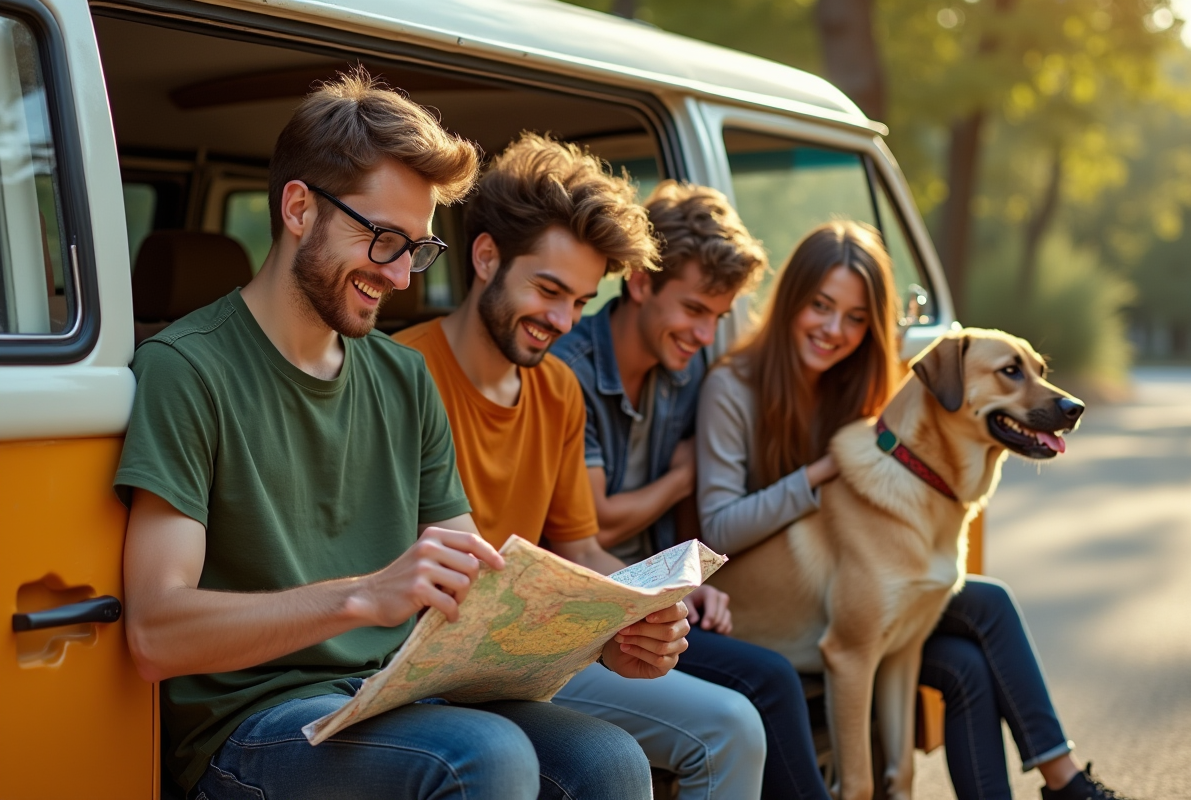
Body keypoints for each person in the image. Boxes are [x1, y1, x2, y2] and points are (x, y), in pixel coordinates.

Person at [116, 72, 657, 800]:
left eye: (419, 249)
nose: (401, 275)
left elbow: (476, 599)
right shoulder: (185, 369)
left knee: (608, 761)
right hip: (252, 728)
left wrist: (604, 637)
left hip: (394, 698)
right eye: (383, 240)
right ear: (299, 208)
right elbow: (154, 632)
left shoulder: (403, 380)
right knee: (485, 755)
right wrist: (364, 596)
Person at [695, 219, 1136, 800]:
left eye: (855, 318)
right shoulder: (736, 387)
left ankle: (1057, 781)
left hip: (850, 588)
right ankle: (1067, 784)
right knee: (988, 608)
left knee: (971, 654)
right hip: (747, 615)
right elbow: (721, 527)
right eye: (821, 307)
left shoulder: (857, 381)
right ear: (791, 301)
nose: (835, 330)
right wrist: (821, 472)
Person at [396, 134, 768, 800]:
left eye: (580, 301)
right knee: (605, 762)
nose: (563, 320)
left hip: (519, 659)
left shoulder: (559, 391)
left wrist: (642, 608)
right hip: (423, 667)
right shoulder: (401, 375)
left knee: (734, 725)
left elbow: (581, 549)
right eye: (548, 290)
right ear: (486, 258)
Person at [551, 180, 832, 800]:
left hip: (650, 600)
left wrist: (692, 585)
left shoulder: (684, 369)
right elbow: (593, 525)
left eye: (718, 317)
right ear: (642, 282)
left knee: (772, 673)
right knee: (768, 683)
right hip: (588, 613)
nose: (705, 335)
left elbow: (676, 522)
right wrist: (683, 473)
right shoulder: (568, 366)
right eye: (694, 310)